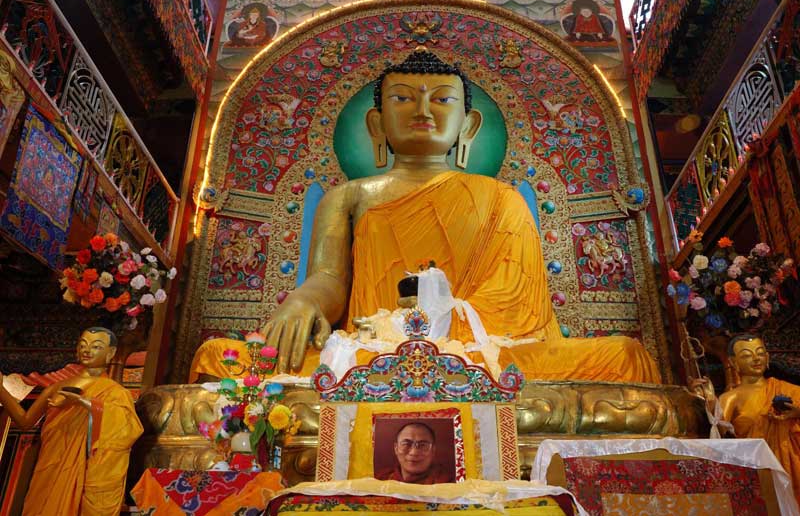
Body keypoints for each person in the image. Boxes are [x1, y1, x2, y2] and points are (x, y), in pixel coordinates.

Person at [191, 49, 660, 384]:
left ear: (469, 125)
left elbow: (518, 305)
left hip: (485, 352)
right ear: (376, 123)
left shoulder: (500, 197)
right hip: (373, 352)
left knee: (623, 356)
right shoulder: (350, 195)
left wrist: (450, 335)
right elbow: (330, 277)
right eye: (401, 99)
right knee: (220, 359)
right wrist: (303, 301)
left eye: (441, 99)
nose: (422, 110)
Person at [0, 327, 143, 515]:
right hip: (50, 466)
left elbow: (127, 430)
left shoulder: (116, 392)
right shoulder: (57, 387)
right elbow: (25, 421)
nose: (87, 350)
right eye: (83, 345)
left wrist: (85, 403)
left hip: (83, 471)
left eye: (96, 346)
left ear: (111, 353)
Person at [697, 333, 800, 502]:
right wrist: (709, 401)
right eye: (746, 355)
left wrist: (797, 414)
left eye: (760, 353)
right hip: (757, 470)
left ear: (767, 357)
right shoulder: (731, 398)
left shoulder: (790, 390)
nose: (756, 359)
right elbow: (720, 434)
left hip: (793, 468)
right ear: (732, 362)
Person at [376, 423, 453, 484]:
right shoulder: (380, 481)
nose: (414, 452)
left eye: (422, 445)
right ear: (396, 448)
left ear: (433, 450)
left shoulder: (447, 484)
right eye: (406, 444)